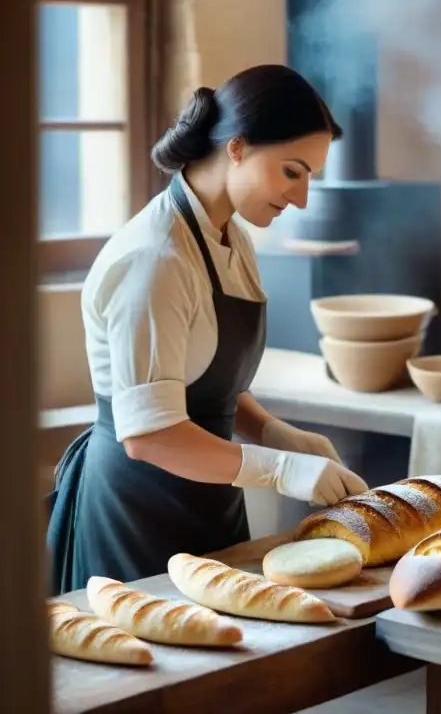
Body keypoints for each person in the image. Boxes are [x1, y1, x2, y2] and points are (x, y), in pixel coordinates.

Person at [46, 64, 369, 595]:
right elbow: (150, 434)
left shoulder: (230, 238)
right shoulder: (154, 260)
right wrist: (281, 469)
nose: (303, 197)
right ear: (237, 148)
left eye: (310, 175)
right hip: (138, 507)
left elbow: (206, 380)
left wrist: (274, 433)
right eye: (292, 171)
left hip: (212, 491)